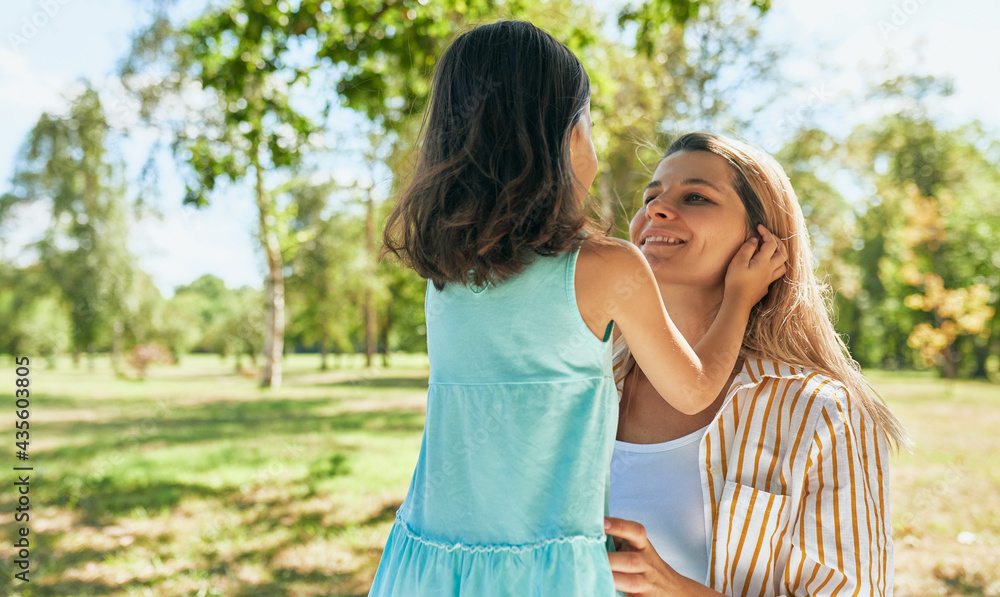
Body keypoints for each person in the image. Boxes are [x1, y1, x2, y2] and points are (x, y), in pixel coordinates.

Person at [369, 22, 786, 596]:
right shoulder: (607, 269)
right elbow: (693, 389)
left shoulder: (446, 277)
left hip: (430, 560)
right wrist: (741, 294)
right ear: (567, 140)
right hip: (543, 573)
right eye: (588, 125)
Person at [603, 132, 909, 597]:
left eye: (696, 196)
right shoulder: (588, 381)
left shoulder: (824, 413)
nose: (655, 210)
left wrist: (673, 589)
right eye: (651, 197)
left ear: (761, 241)